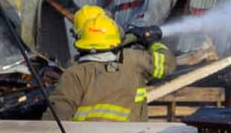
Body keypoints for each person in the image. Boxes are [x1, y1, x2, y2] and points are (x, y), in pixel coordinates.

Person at [48, 7, 176, 122]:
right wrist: (151, 43)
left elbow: (55, 119)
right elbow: (167, 63)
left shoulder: (75, 72)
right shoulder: (133, 60)